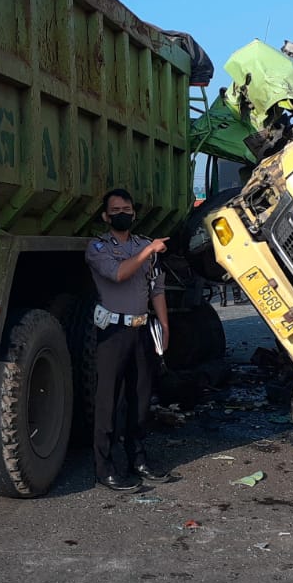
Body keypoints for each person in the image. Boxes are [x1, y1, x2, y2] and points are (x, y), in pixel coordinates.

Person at [84, 189, 172, 492]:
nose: (123, 213)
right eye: (116, 209)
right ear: (106, 217)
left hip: (141, 331)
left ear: (134, 214)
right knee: (107, 402)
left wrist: (164, 325)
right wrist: (149, 252)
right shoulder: (98, 248)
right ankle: (104, 468)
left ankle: (138, 460)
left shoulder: (144, 244)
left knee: (140, 400)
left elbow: (157, 288)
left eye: (128, 208)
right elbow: (119, 274)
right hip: (113, 333)